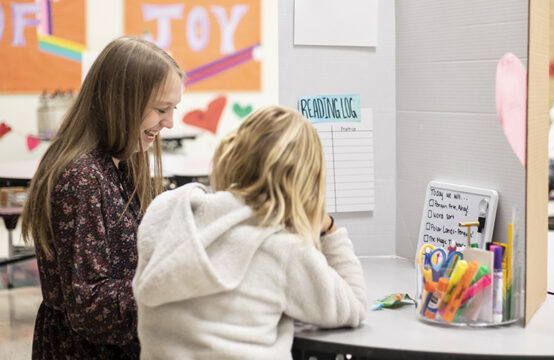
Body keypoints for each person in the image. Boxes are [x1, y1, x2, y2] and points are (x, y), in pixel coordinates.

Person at [133, 105, 367, 359]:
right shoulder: (283, 248)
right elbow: (353, 307)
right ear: (305, 182)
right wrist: (328, 229)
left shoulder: (170, 216)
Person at [21, 36, 184, 358]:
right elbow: (89, 306)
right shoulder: (80, 178)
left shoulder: (120, 163)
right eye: (161, 109)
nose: (169, 123)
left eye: (173, 109)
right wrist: (180, 291)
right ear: (122, 103)